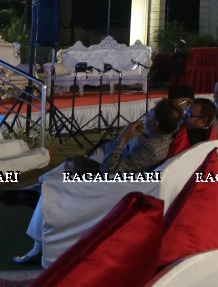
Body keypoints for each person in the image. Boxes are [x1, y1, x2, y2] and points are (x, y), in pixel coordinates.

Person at [10, 98, 183, 264]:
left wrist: (122, 138)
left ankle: (36, 241)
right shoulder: (165, 136)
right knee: (72, 163)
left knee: (53, 184)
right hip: (118, 170)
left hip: (106, 184)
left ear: (156, 124)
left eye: (149, 116)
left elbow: (108, 172)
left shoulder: (150, 148)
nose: (145, 118)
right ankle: (35, 188)